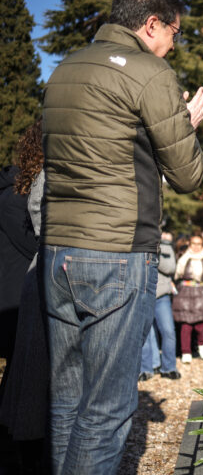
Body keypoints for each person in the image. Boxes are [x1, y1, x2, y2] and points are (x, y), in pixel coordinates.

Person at [41, 0, 203, 474]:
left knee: (66, 404)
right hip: (117, 250)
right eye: (174, 32)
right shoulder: (149, 71)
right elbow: (187, 175)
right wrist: (184, 123)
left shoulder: (65, 68)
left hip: (58, 252)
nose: (174, 44)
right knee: (107, 409)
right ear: (151, 23)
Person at [0, 122, 49, 473]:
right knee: (19, 383)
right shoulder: (15, 198)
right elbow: (37, 245)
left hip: (19, 296)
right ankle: (15, 454)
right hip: (13, 300)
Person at [139, 231, 180, 380]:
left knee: (168, 332)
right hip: (142, 294)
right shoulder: (138, 244)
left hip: (161, 295)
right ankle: (146, 369)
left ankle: (169, 368)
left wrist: (154, 254)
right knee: (145, 334)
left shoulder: (165, 246)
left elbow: (170, 268)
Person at [173, 234, 203, 364]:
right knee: (186, 325)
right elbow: (173, 272)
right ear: (189, 244)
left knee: (200, 324)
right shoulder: (182, 257)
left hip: (201, 293)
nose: (196, 247)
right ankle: (186, 351)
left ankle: (202, 344)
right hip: (184, 293)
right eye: (193, 244)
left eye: (199, 244)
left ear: (202, 245)